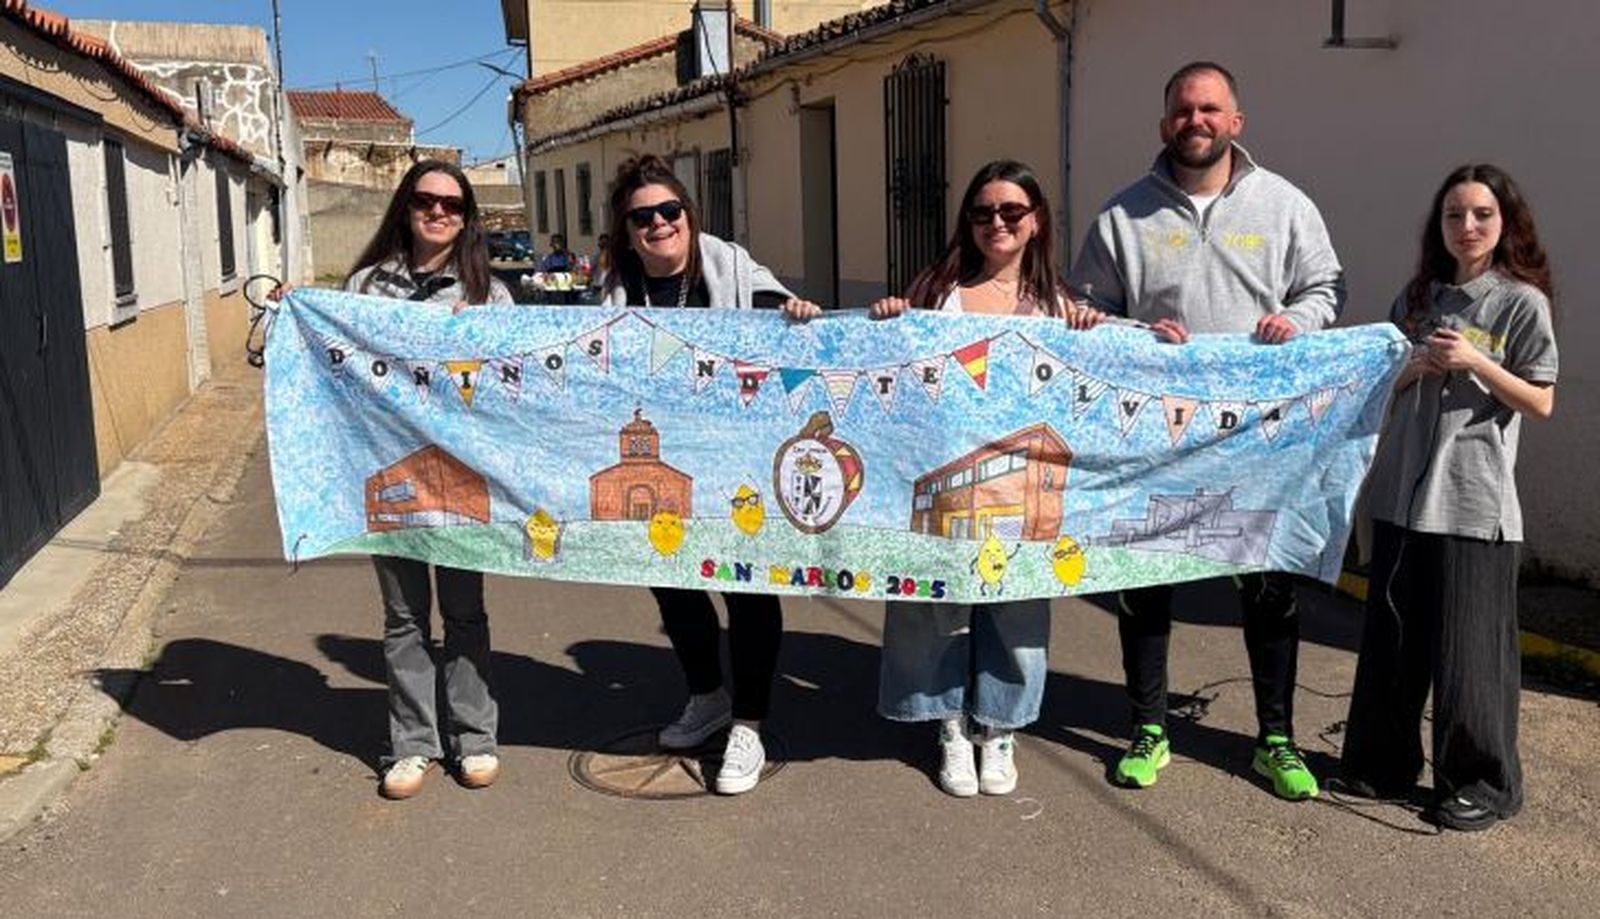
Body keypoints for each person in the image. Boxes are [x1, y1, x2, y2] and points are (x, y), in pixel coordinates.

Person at [1069, 61, 1346, 800]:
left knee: (1268, 588)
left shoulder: (1285, 205)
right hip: (1155, 441)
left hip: (1259, 442)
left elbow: (1326, 287)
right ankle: (1148, 728)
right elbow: (1084, 314)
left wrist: (1301, 321)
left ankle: (1276, 739)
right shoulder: (1122, 217)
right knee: (1148, 585)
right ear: (1166, 125)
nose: (1197, 120)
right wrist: (1130, 329)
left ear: (1236, 123)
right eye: (1184, 110)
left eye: (1211, 109)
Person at [833, 160, 1094, 798]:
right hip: (942, 473)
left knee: (1017, 607)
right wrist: (891, 318)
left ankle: (999, 727)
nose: (996, 223)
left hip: (1023, 479)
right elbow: (890, 375)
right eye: (982, 212)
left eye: (1011, 211)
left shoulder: (1061, 306)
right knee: (933, 606)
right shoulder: (937, 290)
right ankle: (947, 722)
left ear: (1036, 221)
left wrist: (1098, 333)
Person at [1340, 165, 1557, 832]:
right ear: (1438, 226)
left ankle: (1480, 782)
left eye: (1482, 215)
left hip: (1473, 504)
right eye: (1454, 215)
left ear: (1504, 224)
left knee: (1471, 658)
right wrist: (1412, 367)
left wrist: (1478, 363)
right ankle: (1380, 763)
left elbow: (1541, 400)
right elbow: (1379, 384)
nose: (1467, 228)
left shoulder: (1520, 302)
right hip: (1403, 498)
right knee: (1393, 642)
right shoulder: (1417, 298)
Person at [600, 154, 818, 794]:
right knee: (670, 581)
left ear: (689, 217)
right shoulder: (615, 292)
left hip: (738, 458)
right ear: (627, 229)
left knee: (748, 587)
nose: (659, 224)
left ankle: (748, 722)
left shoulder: (731, 267)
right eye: (643, 217)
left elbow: (782, 311)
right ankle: (708, 695)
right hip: (667, 457)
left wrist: (797, 315)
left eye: (670, 211)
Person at [346, 160, 515, 799]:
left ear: (467, 217)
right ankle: (413, 743)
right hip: (388, 469)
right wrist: (292, 312)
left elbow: (509, 387)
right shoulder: (364, 287)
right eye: (426, 199)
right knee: (404, 617)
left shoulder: (489, 294)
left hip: (461, 475)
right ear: (406, 205)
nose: (438, 212)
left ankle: (476, 737)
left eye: (452, 204)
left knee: (465, 612)